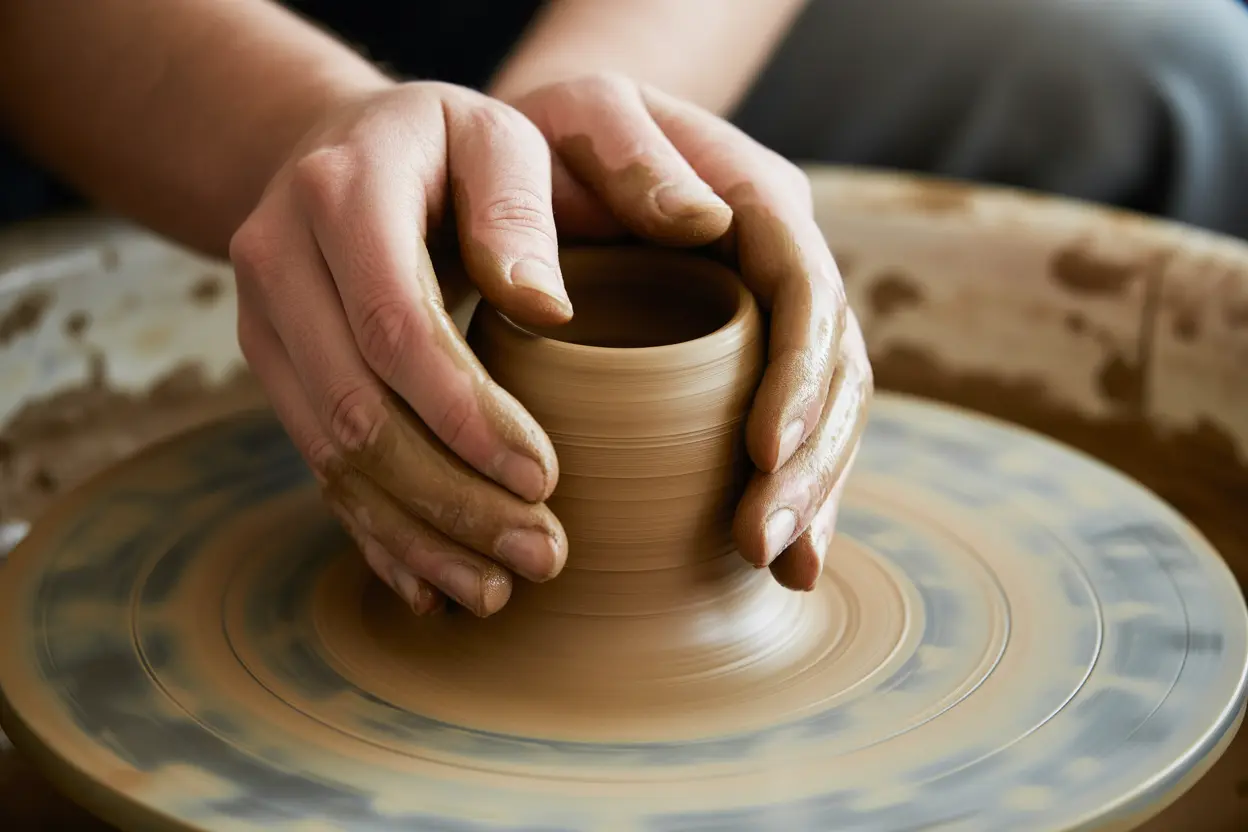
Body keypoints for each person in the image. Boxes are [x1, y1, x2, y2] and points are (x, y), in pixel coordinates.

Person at [0, 0, 1245, 617]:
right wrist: (310, 129)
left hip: (604, 24)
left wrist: (564, 148)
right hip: (170, 56)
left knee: (1183, 83)